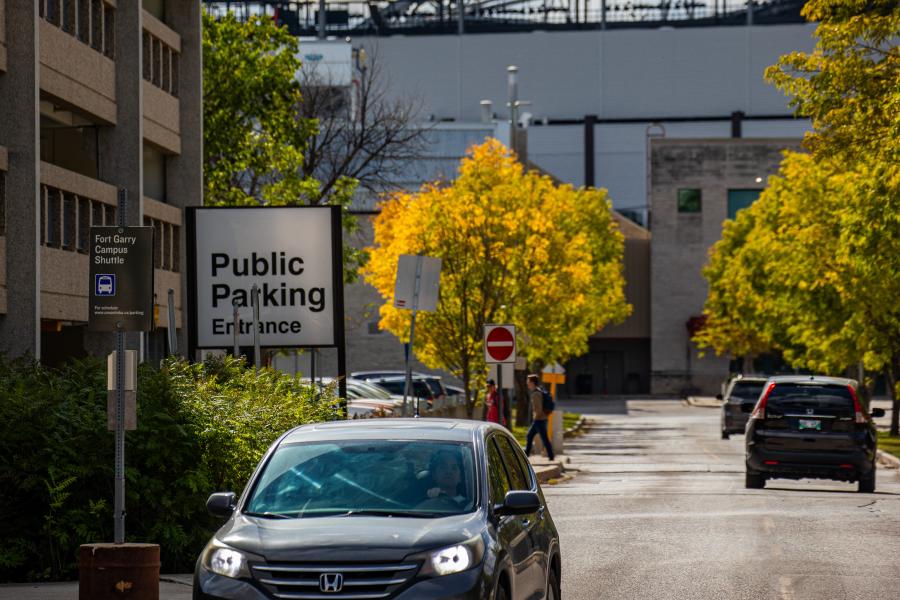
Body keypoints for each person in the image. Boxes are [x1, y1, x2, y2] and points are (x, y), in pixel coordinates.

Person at [524, 373, 555, 461]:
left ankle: (527, 455)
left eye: (528, 381)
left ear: (533, 382)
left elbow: (538, 409)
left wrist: (535, 417)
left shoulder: (536, 394)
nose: (527, 383)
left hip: (539, 420)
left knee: (541, 438)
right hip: (540, 419)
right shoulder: (538, 391)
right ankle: (527, 454)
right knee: (531, 436)